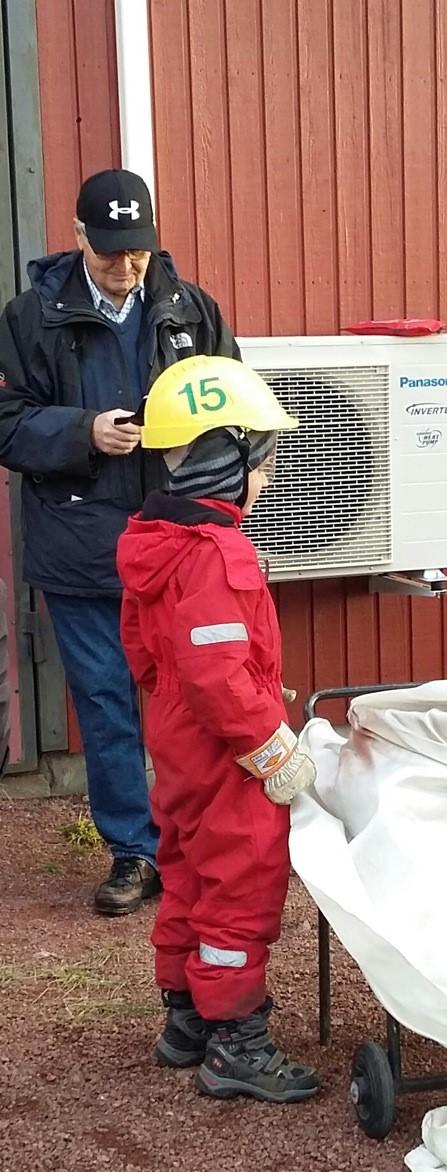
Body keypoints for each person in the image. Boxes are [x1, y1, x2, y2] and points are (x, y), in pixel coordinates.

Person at [0, 169, 239, 914]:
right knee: (107, 704)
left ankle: (195, 839)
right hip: (82, 547)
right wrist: (83, 431)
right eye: (110, 254)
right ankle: (135, 852)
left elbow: (234, 398)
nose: (127, 267)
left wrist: (246, 469)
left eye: (137, 251)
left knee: (192, 698)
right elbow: (6, 422)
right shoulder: (29, 317)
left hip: (178, 544)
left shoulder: (189, 307)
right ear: (78, 240)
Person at [116, 353, 319, 1103]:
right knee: (239, 882)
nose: (264, 481)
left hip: (177, 741)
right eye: (261, 464)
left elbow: (151, 654)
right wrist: (270, 746)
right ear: (223, 462)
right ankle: (236, 1041)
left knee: (189, 873)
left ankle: (185, 1019)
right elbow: (216, 674)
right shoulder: (215, 553)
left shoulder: (152, 543)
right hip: (224, 752)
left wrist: (233, 694)